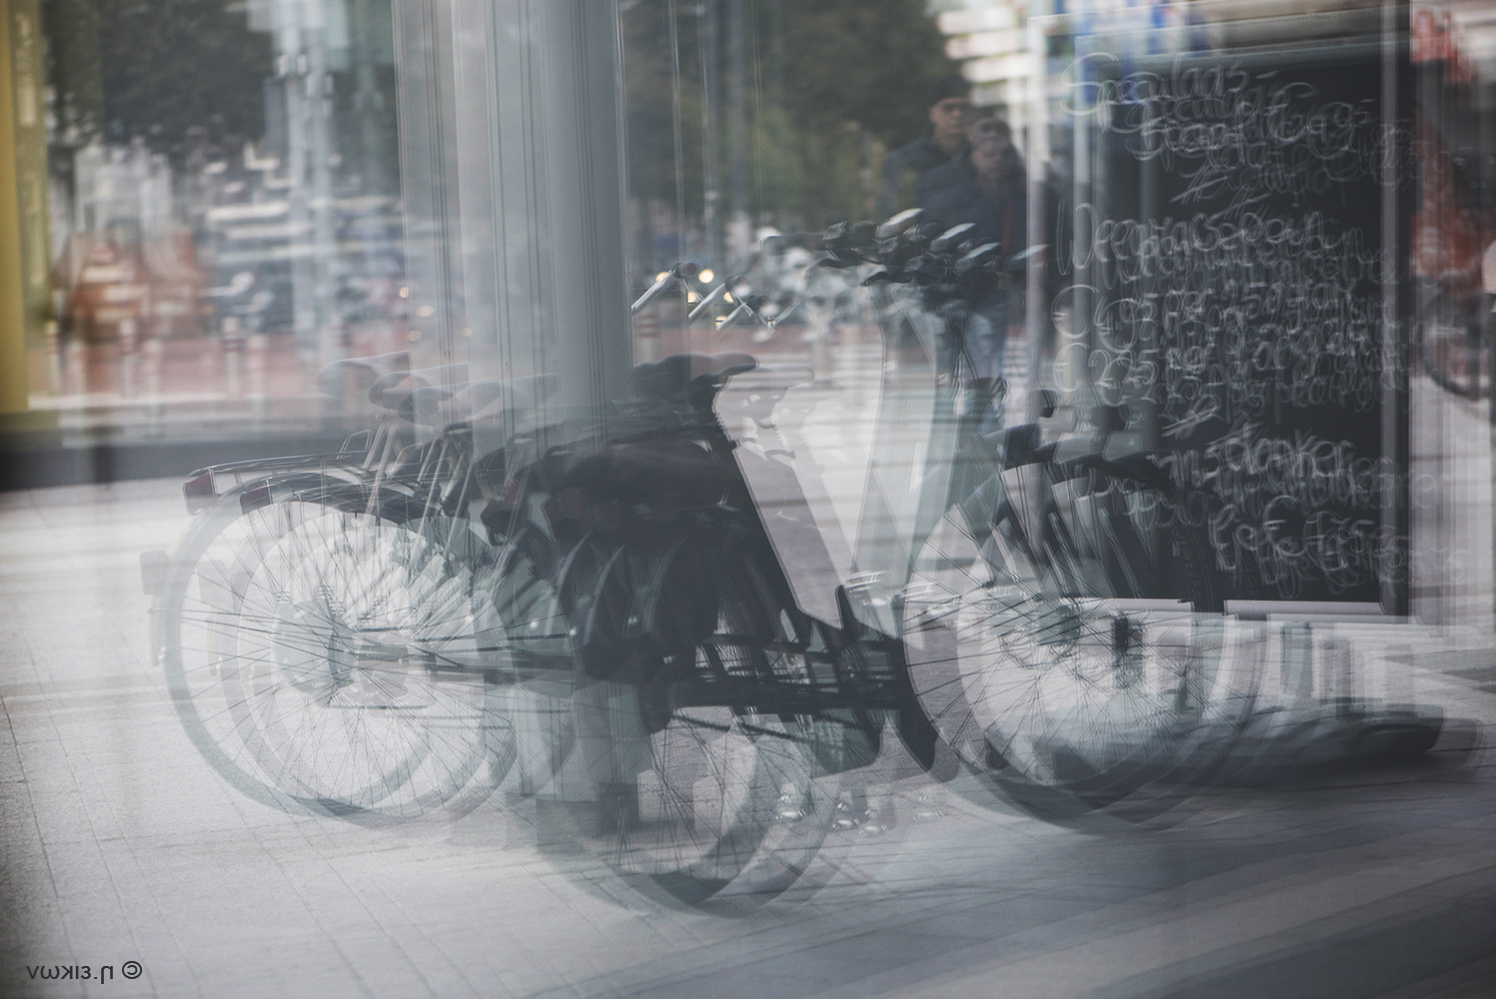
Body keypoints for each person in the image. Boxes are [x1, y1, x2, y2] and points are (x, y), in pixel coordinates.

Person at [917, 114, 1029, 395]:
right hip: (949, 289)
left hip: (988, 291)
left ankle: (979, 428)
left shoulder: (1019, 194)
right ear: (973, 153)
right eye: (989, 151)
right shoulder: (948, 192)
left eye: (1002, 152)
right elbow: (929, 240)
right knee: (950, 371)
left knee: (984, 368)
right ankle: (962, 426)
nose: (997, 159)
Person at [875, 76, 973, 221]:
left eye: (963, 108)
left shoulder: (985, 157)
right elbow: (891, 218)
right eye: (948, 108)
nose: (957, 114)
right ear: (933, 113)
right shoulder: (904, 161)